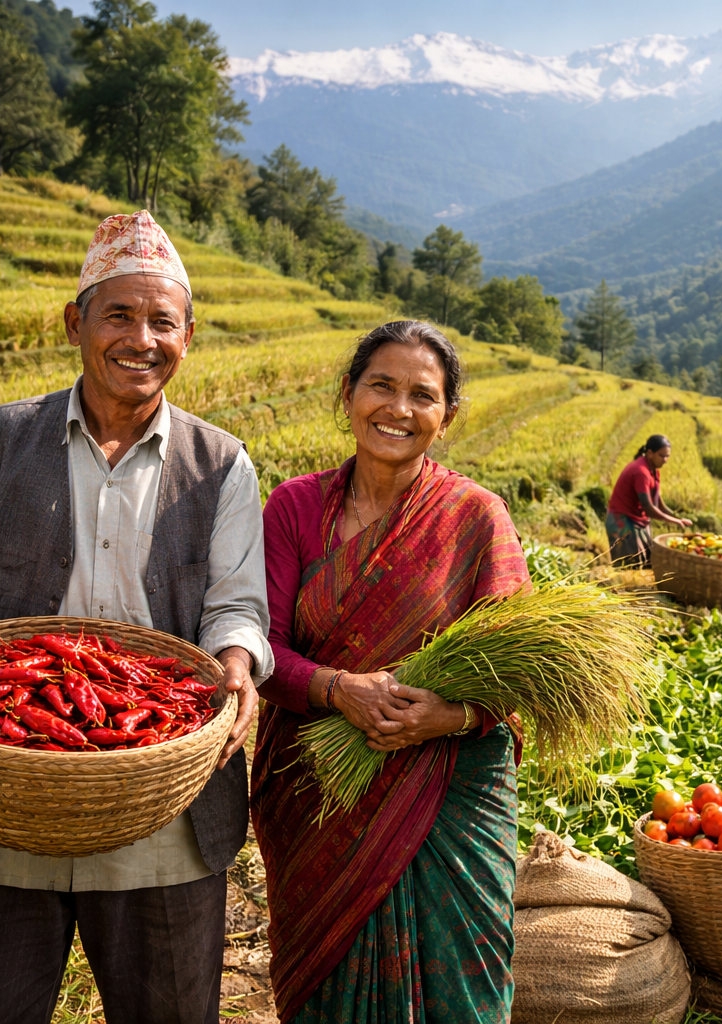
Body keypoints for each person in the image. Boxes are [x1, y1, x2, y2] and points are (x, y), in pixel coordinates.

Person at [0, 210, 270, 1023]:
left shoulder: (221, 464)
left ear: (189, 334)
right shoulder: (0, 440)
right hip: (3, 791)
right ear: (74, 321)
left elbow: (236, 604)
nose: (140, 338)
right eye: (118, 314)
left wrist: (233, 664)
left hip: (164, 803)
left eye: (163, 321)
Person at [254, 320, 529, 1024]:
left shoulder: (475, 519)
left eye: (422, 395)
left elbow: (517, 670)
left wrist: (451, 716)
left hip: (447, 793)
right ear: (348, 393)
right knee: (329, 974)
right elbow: (263, 648)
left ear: (448, 416)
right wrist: (339, 689)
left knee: (456, 992)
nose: (398, 410)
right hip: (321, 792)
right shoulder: (295, 508)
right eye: (381, 385)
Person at [605, 433, 692, 566]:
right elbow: (648, 508)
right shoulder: (641, 471)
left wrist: (678, 518)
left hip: (637, 521)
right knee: (629, 567)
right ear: (650, 453)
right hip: (622, 522)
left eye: (667, 456)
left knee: (648, 561)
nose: (665, 460)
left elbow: (659, 505)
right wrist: (673, 521)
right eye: (662, 456)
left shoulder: (654, 471)